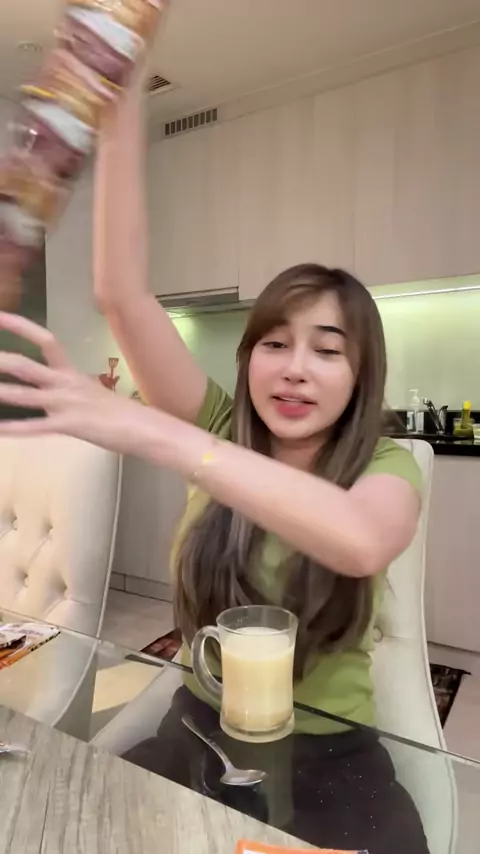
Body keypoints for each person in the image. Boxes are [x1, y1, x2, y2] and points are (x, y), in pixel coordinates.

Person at [0, 86, 428, 854]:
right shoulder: (222, 424)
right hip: (199, 726)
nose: (295, 369)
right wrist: (120, 107)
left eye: (327, 351)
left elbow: (361, 538)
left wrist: (156, 433)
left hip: (328, 752)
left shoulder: (386, 464)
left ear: (361, 374)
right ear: (248, 355)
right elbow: (121, 294)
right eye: (275, 343)